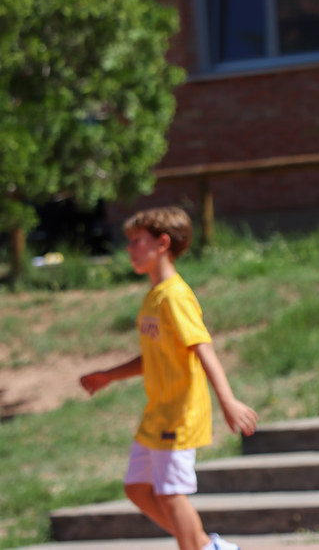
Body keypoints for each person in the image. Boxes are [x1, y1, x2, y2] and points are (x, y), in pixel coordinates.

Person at [80, 207, 258, 550]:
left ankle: (201, 548)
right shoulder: (154, 297)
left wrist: (228, 400)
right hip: (157, 412)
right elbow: (154, 356)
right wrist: (109, 376)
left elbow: (202, 347)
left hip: (179, 412)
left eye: (136, 242)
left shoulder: (175, 296)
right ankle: (207, 546)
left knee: (171, 492)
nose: (129, 249)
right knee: (137, 489)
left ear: (162, 243)